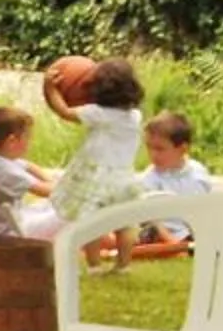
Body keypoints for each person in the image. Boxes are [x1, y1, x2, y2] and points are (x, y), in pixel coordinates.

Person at [48, 57, 149, 268]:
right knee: (124, 224)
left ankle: (94, 265)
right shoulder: (135, 116)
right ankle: (123, 265)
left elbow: (64, 111)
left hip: (97, 178)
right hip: (124, 179)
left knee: (91, 224)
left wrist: (51, 90)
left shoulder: (98, 114)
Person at [130, 111, 212, 262]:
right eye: (149, 148)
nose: (153, 154)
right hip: (157, 232)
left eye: (160, 149)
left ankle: (179, 249)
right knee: (144, 229)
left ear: (182, 149)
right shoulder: (149, 178)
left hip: (188, 233)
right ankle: (173, 249)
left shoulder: (197, 176)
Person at [0, 104, 59, 239]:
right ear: (12, 141)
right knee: (72, 211)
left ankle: (101, 243)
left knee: (57, 206)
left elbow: (29, 166)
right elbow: (45, 191)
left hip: (20, 217)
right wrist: (70, 189)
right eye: (27, 138)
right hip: (11, 232)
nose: (30, 142)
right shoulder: (2, 170)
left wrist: (50, 180)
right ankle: (97, 249)